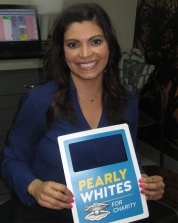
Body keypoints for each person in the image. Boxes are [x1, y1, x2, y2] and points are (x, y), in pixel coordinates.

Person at [0, 3, 164, 222]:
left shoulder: (127, 101)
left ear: (109, 46)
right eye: (73, 44)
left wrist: (143, 180)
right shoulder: (40, 101)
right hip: (49, 214)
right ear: (63, 51)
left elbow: (129, 159)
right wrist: (35, 186)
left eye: (96, 41)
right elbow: (12, 159)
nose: (85, 54)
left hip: (109, 213)